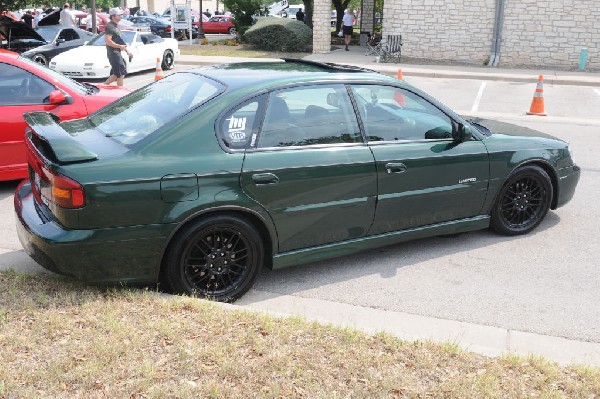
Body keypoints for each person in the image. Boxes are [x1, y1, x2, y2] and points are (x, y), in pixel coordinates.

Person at [104, 8, 132, 87]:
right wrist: (119, 46)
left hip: (117, 53)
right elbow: (108, 41)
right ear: (113, 16)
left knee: (117, 74)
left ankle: (103, 86)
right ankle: (121, 93)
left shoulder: (115, 26)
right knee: (120, 75)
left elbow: (119, 40)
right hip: (113, 53)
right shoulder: (110, 27)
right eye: (119, 15)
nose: (121, 16)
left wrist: (127, 51)